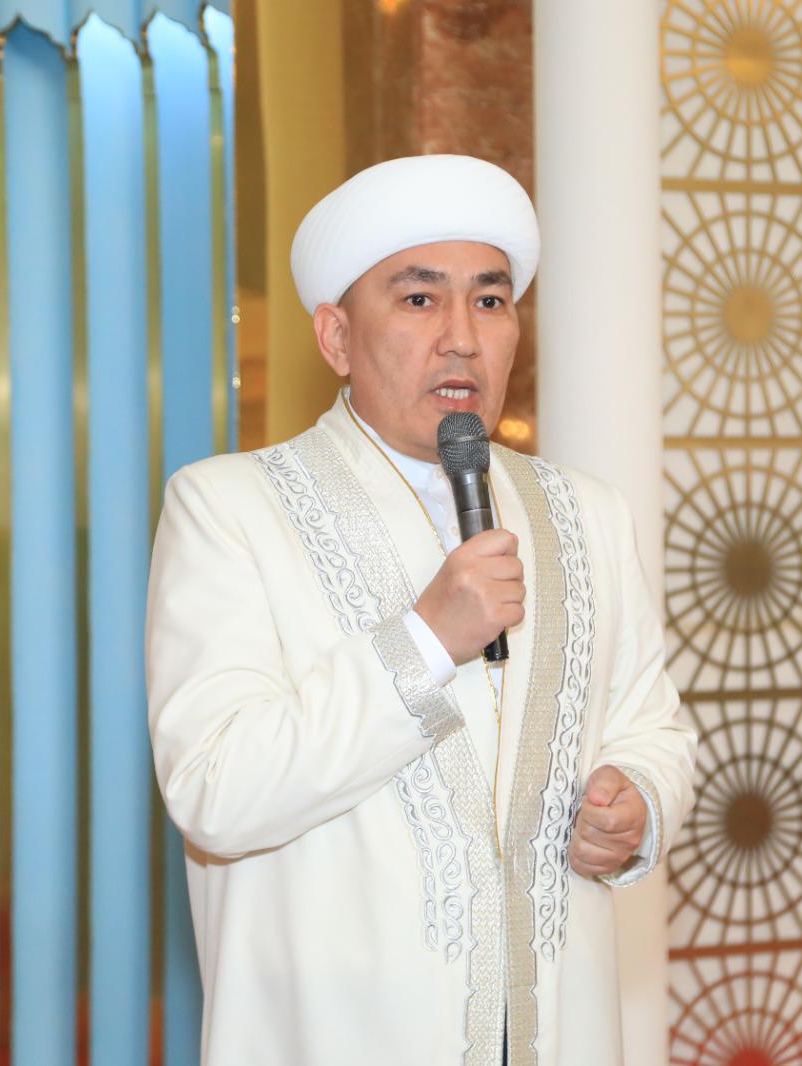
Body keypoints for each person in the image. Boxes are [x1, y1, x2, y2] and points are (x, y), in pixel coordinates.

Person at [146, 154, 696, 1065]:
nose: (461, 339)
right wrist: (428, 639)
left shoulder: (587, 513)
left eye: (491, 301)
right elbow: (216, 789)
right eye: (418, 299)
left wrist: (636, 801)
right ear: (336, 336)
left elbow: (653, 728)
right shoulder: (230, 509)